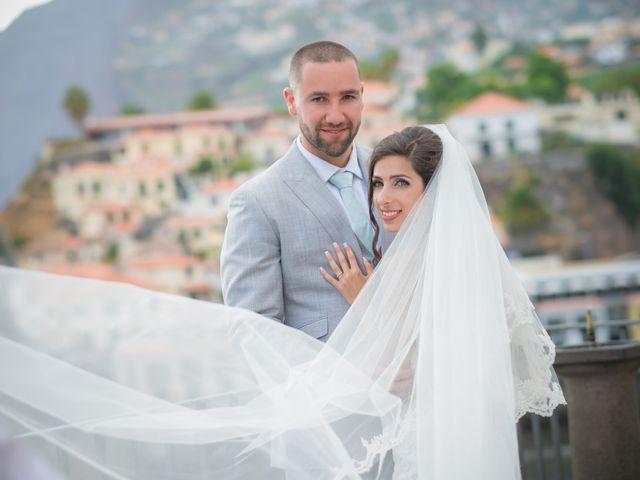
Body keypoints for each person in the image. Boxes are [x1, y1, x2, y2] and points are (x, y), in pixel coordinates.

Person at [0, 125, 565, 480]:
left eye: (401, 185)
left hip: (434, 437)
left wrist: (362, 299)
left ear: (431, 190)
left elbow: (426, 363)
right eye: (378, 184)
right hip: (375, 440)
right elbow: (253, 325)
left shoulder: (443, 264)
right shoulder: (381, 251)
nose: (384, 198)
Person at [220, 40, 392, 341]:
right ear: (291, 100)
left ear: (362, 96)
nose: (336, 115)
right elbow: (253, 331)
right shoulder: (256, 202)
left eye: (347, 97)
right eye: (319, 100)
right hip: (326, 383)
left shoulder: (394, 173)